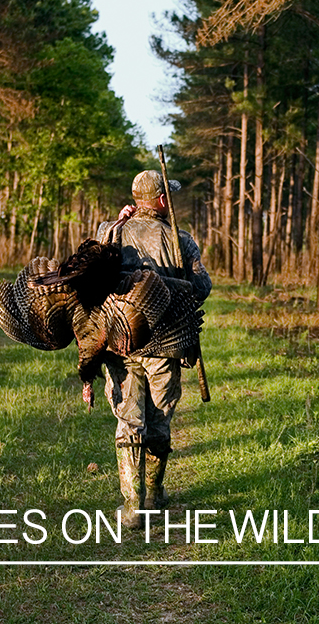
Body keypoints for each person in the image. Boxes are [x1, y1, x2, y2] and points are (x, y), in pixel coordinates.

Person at [95, 170, 211, 527]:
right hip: (166, 346)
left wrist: (117, 225)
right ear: (161, 200)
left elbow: (92, 265)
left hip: (120, 344)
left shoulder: (109, 233)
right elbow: (202, 286)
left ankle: (133, 507)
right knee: (159, 419)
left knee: (129, 419)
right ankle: (155, 494)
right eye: (169, 196)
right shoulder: (181, 240)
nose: (171, 201)